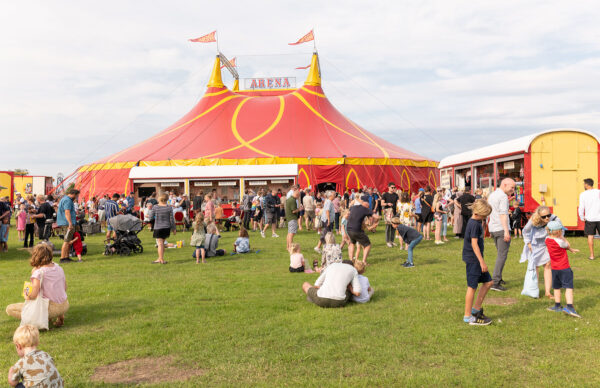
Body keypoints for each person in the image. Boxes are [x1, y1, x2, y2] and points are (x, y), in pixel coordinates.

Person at [6, 244, 69, 327]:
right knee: (53, 295)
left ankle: (38, 319)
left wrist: (26, 295)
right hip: (64, 305)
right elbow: (64, 288)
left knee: (10, 309)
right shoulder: (58, 267)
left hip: (51, 309)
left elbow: (33, 295)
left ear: (36, 256)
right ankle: (59, 317)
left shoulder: (39, 273)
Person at [462, 199, 494, 326]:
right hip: (473, 259)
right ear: (479, 213)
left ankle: (475, 309)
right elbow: (474, 244)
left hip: (476, 258)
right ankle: (467, 316)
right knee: (472, 287)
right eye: (485, 215)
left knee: (488, 282)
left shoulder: (477, 221)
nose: (486, 217)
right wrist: (482, 262)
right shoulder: (474, 224)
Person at [520, 206, 560, 299]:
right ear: (539, 216)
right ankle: (534, 290)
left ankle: (548, 292)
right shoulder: (533, 220)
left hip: (547, 244)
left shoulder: (554, 219)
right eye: (544, 216)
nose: (547, 218)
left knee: (548, 265)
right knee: (535, 267)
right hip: (535, 245)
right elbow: (525, 231)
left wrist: (555, 240)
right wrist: (528, 243)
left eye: (548, 215)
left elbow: (560, 231)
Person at [545, 220, 581, 317]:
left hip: (555, 268)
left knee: (557, 287)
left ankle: (557, 306)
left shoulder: (547, 240)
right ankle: (569, 307)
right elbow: (567, 245)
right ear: (559, 232)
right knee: (568, 287)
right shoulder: (561, 242)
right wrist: (563, 238)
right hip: (564, 268)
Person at [488, 178, 516, 292]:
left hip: (493, 228)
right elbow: (503, 214)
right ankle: (495, 282)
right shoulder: (503, 197)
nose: (513, 190)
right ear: (504, 185)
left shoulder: (493, 195)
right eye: (512, 187)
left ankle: (498, 277)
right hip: (501, 228)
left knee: (500, 254)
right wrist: (506, 231)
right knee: (502, 256)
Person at [346, 195, 380, 264]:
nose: (369, 206)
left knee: (352, 243)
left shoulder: (353, 207)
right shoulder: (366, 209)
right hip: (357, 229)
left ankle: (351, 260)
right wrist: (378, 220)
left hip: (349, 228)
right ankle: (364, 261)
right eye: (369, 204)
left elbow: (347, 214)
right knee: (367, 245)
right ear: (366, 203)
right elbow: (376, 217)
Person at [149, 193, 176, 264]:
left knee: (160, 244)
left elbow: (150, 217)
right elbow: (172, 219)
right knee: (162, 244)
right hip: (167, 228)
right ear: (167, 199)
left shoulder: (155, 207)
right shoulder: (169, 207)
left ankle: (161, 259)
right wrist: (174, 229)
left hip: (158, 227)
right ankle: (160, 258)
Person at [578, 178, 600, 260]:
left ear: (587, 185)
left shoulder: (583, 194)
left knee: (590, 236)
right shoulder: (598, 192)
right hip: (599, 217)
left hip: (590, 219)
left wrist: (581, 216)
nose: (583, 185)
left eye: (584, 184)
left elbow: (581, 207)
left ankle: (592, 255)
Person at [56, 189, 79, 263]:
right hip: (67, 223)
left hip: (65, 223)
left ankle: (66, 257)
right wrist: (70, 223)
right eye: (77, 195)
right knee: (66, 241)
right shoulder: (68, 200)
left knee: (68, 240)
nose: (77, 197)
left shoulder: (65, 199)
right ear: (73, 194)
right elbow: (67, 212)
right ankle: (62, 258)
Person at [381, 182, 399, 248]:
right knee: (388, 227)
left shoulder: (396, 195)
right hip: (387, 212)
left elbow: (398, 202)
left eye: (394, 187)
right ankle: (388, 241)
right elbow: (382, 203)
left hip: (394, 213)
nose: (393, 188)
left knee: (394, 227)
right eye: (392, 187)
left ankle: (392, 241)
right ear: (388, 187)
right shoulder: (385, 195)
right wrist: (387, 204)